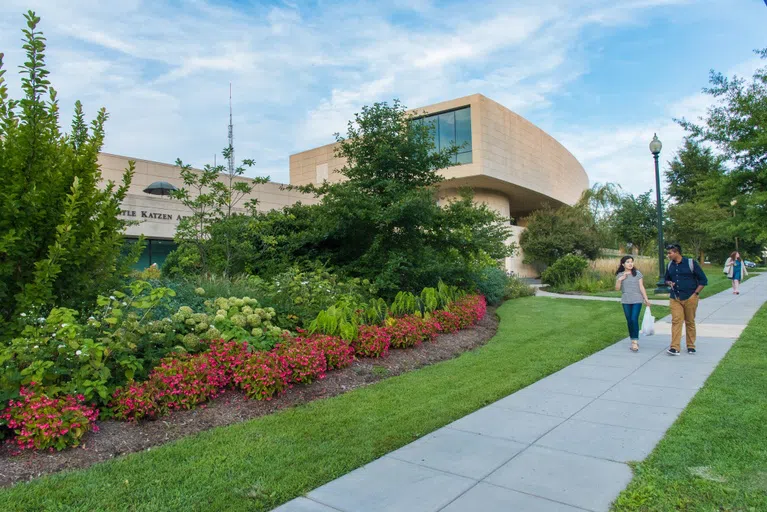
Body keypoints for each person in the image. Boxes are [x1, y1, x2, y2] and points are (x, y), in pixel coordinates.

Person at [664, 243, 708, 355]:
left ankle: (691, 346)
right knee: (676, 321)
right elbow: (666, 279)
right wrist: (669, 282)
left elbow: (703, 280)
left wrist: (696, 294)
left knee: (689, 321)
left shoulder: (691, 263)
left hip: (690, 297)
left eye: (670, 253)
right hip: (675, 297)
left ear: (677, 252)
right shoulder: (669, 265)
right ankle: (674, 347)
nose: (668, 255)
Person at [615, 256, 651, 352]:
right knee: (629, 320)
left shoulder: (637, 274)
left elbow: (641, 287)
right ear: (623, 264)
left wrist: (646, 299)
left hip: (637, 299)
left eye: (632, 262)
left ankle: (635, 342)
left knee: (634, 319)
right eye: (628, 262)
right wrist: (620, 279)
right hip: (626, 300)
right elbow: (617, 288)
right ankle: (632, 338)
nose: (630, 264)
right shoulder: (620, 274)